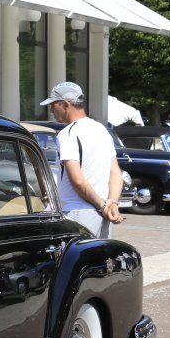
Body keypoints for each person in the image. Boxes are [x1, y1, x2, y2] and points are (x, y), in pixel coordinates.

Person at [40, 81, 123, 239]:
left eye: (53, 105)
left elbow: (77, 181)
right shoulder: (102, 130)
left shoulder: (67, 134)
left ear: (65, 104)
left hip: (76, 213)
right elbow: (116, 174)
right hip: (101, 214)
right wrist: (112, 203)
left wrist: (103, 205)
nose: (51, 110)